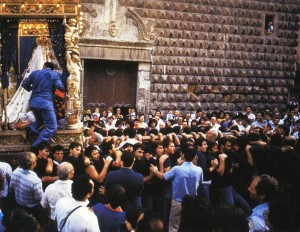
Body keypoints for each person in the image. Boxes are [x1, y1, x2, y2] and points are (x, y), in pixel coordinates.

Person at [150, 144, 203, 232]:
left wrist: (155, 170)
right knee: (189, 225)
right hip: (193, 202)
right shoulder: (199, 169)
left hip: (178, 202)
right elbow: (200, 183)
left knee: (174, 226)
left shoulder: (177, 169)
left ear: (182, 154)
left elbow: (163, 177)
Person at [21, 62, 65, 149]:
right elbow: (60, 86)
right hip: (46, 103)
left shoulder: (35, 73)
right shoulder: (54, 74)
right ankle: (36, 146)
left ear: (44, 66)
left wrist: (32, 88)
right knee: (52, 126)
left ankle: (31, 129)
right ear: (52, 68)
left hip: (34, 102)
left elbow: (24, 84)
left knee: (40, 120)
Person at [9, 152, 45, 225]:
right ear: (32, 164)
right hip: (32, 208)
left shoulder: (15, 172)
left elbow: (11, 187)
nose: (36, 162)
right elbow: (39, 198)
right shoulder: (35, 181)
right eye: (36, 161)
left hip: (18, 204)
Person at [41, 162, 74, 231]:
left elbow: (44, 205)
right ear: (70, 173)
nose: (74, 172)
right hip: (72, 220)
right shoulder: (76, 187)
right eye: (72, 170)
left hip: (55, 220)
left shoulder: (49, 188)